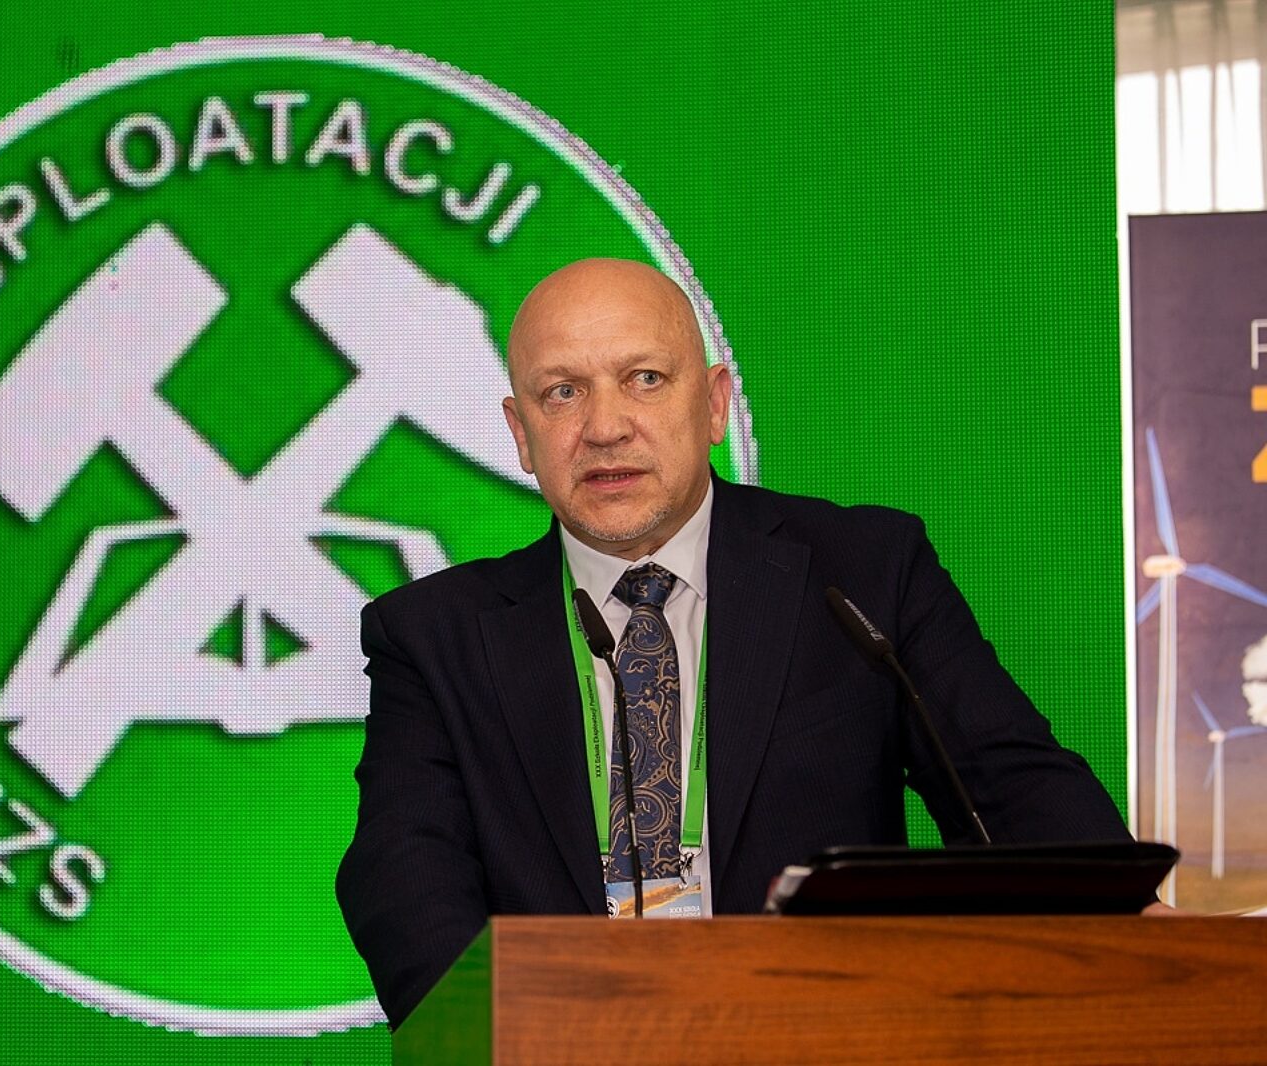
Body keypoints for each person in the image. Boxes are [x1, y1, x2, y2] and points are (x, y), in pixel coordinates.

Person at [335, 258, 1137, 1028]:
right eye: (563, 393)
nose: (604, 428)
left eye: (645, 378)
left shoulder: (862, 573)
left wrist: (1124, 923)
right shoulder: (434, 636)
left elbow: (1006, 786)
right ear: (520, 432)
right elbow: (405, 881)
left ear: (715, 405)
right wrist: (508, 1035)